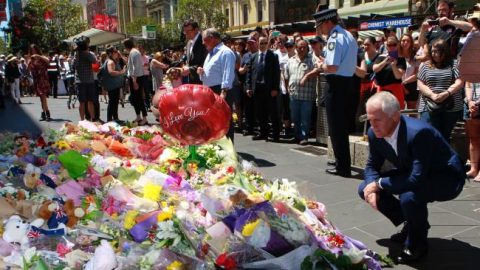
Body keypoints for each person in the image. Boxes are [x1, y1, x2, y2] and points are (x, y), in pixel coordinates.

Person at [358, 91, 465, 264]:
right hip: (415, 172)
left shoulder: (418, 133)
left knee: (409, 197)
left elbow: (416, 179)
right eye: (369, 119)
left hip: (445, 177)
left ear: (395, 117)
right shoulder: (373, 133)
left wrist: (378, 183)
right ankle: (414, 222)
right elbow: (371, 165)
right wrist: (371, 186)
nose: (372, 125)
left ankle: (417, 245)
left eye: (377, 119)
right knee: (363, 188)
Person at [314, 8, 358, 177]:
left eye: (320, 25)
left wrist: (320, 66)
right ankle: (342, 161)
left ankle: (343, 166)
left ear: (327, 22)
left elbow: (332, 67)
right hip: (347, 83)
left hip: (336, 84)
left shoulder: (334, 38)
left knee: (336, 127)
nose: (320, 29)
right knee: (341, 126)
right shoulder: (347, 35)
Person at [417, 39, 464, 142]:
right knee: (429, 135)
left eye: (437, 51)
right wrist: (432, 95)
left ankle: (445, 157)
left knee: (444, 137)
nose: (434, 54)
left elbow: (460, 82)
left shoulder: (454, 64)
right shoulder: (426, 65)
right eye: (432, 51)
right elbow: (420, 84)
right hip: (429, 105)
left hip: (450, 107)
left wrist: (446, 93)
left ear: (445, 51)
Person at [197, 28, 236, 141]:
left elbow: (227, 73)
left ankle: (228, 150)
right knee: (213, 121)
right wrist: (201, 72)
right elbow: (211, 74)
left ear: (213, 39)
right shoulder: (211, 53)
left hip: (221, 90)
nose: (203, 43)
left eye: (205, 40)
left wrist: (223, 93)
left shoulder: (225, 52)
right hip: (211, 91)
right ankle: (217, 147)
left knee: (224, 120)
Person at [245, 36, 281, 142]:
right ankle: (263, 133)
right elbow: (249, 74)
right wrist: (248, 87)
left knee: (273, 112)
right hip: (257, 88)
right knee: (260, 113)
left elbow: (276, 74)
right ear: (257, 44)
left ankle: (275, 135)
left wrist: (275, 88)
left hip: (269, 89)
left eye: (265, 43)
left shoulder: (273, 56)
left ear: (268, 44)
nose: (263, 45)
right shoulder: (253, 57)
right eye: (261, 43)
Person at [284, 39, 318, 145]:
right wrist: (287, 87)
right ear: (296, 48)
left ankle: (304, 137)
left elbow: (318, 69)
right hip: (294, 95)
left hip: (307, 95)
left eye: (304, 47)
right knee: (295, 118)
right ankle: (296, 135)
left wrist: (307, 76)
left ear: (307, 48)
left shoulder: (312, 59)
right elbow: (286, 76)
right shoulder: (291, 60)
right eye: (299, 47)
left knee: (305, 118)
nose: (302, 49)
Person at [372, 36, 406, 108]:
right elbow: (375, 69)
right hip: (382, 90)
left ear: (398, 45)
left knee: (397, 113)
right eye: (389, 45)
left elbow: (398, 76)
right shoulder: (381, 57)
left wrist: (393, 66)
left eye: (394, 44)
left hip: (396, 90)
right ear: (386, 46)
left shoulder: (401, 59)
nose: (392, 47)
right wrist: (385, 62)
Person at [124, 38, 148, 126]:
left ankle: (144, 118)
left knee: (139, 99)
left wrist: (134, 81)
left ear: (126, 46)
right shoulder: (134, 52)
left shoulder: (134, 52)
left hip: (136, 78)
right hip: (136, 77)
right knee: (135, 98)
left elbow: (135, 67)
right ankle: (139, 116)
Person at [239, 37, 258, 136]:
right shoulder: (246, 56)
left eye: (252, 43)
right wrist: (244, 69)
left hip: (256, 85)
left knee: (256, 108)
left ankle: (256, 127)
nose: (250, 45)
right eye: (249, 44)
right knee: (247, 108)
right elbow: (240, 70)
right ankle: (249, 127)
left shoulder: (259, 54)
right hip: (246, 85)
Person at [27, 44, 51, 121]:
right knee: (41, 98)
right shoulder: (31, 59)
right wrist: (29, 61)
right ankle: (46, 112)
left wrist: (39, 56)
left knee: (43, 96)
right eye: (32, 51)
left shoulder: (41, 57)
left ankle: (45, 113)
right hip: (37, 80)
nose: (33, 52)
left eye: (34, 50)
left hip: (43, 79)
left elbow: (48, 62)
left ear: (37, 50)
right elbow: (28, 69)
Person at [102, 46, 126, 123]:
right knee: (113, 102)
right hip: (113, 85)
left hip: (113, 85)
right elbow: (111, 72)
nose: (117, 53)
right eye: (115, 52)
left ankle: (115, 118)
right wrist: (121, 72)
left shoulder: (110, 60)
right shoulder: (110, 62)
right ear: (110, 53)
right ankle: (110, 120)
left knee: (114, 102)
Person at [182, 19, 208, 84]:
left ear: (196, 29)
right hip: (192, 81)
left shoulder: (204, 41)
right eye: (185, 31)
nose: (186, 33)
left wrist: (190, 69)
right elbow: (190, 61)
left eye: (188, 31)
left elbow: (207, 62)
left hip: (203, 81)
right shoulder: (188, 43)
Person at [399, 34, 419, 110]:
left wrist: (404, 82)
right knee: (399, 110)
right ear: (400, 42)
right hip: (398, 85)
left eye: (408, 41)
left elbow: (417, 74)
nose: (405, 42)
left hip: (411, 85)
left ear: (411, 43)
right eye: (403, 40)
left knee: (412, 111)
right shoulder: (397, 55)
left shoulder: (415, 56)